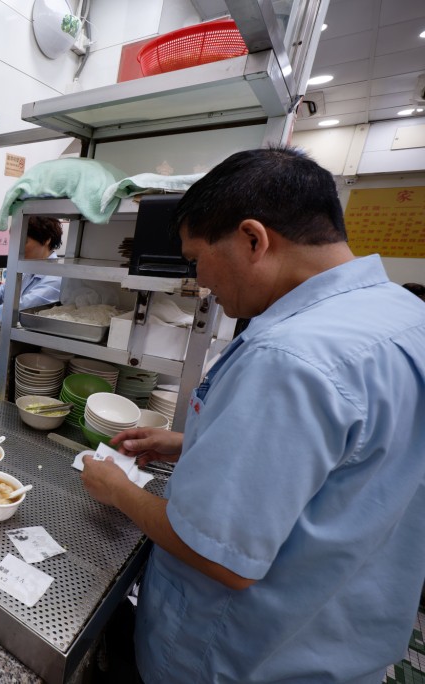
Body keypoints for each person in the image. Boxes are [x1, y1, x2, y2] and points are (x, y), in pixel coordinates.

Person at [80, 147, 425, 682]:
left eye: (197, 260)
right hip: (338, 645)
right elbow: (349, 466)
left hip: (242, 658)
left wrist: (117, 490)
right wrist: (190, 442)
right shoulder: (406, 315)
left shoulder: (289, 356)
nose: (201, 284)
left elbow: (219, 556)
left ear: (252, 239)